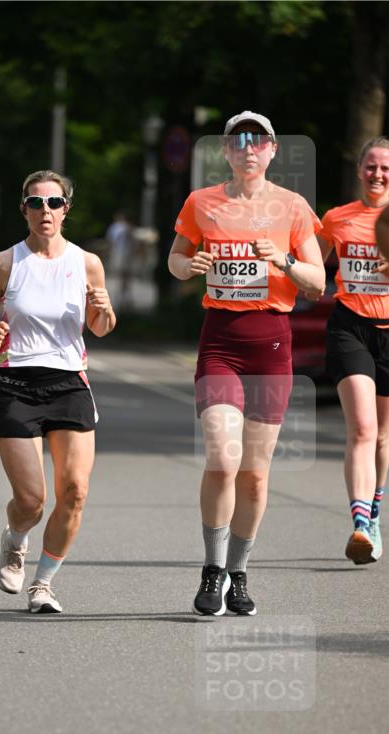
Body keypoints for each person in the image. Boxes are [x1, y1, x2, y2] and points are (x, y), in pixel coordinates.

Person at [168, 111, 325, 616]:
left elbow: (318, 282)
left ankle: (238, 574)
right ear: (226, 151)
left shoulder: (292, 206)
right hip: (220, 341)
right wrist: (187, 265)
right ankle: (212, 570)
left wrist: (283, 261)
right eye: (239, 141)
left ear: (273, 150)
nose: (248, 148)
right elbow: (175, 259)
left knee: (255, 475)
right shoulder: (201, 202)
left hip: (271, 346)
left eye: (258, 141)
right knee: (222, 457)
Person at [0, 169, 115, 614]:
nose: (45, 211)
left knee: (75, 490)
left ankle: (43, 584)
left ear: (66, 209)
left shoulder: (87, 262)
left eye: (54, 203)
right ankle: (15, 540)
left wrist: (104, 310)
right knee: (32, 500)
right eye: (36, 203)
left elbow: (100, 327)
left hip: (69, 382)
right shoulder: (6, 262)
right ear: (24, 210)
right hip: (15, 383)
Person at [317, 137, 389, 564]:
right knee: (362, 427)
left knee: (382, 436)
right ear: (359, 169)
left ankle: (374, 513)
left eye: (386, 168)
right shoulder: (337, 218)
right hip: (350, 327)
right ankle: (360, 524)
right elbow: (310, 267)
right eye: (371, 166)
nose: (378, 174)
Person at [105, 211, 135, 308]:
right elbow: (132, 240)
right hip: (126, 252)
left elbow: (110, 241)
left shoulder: (114, 227)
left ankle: (121, 295)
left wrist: (109, 252)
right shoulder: (127, 227)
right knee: (125, 274)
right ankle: (124, 295)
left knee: (120, 274)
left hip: (118, 252)